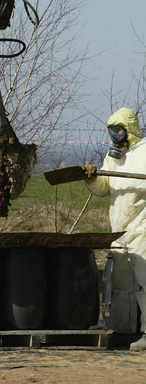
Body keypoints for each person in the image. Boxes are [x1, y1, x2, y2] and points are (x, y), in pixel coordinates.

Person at [84, 107, 146, 351]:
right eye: (111, 131)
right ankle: (123, 331)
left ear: (129, 129)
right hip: (119, 230)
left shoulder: (144, 152)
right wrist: (92, 178)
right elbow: (103, 188)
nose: (115, 136)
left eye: (118, 130)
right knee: (122, 285)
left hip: (142, 225)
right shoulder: (114, 157)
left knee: (145, 279)